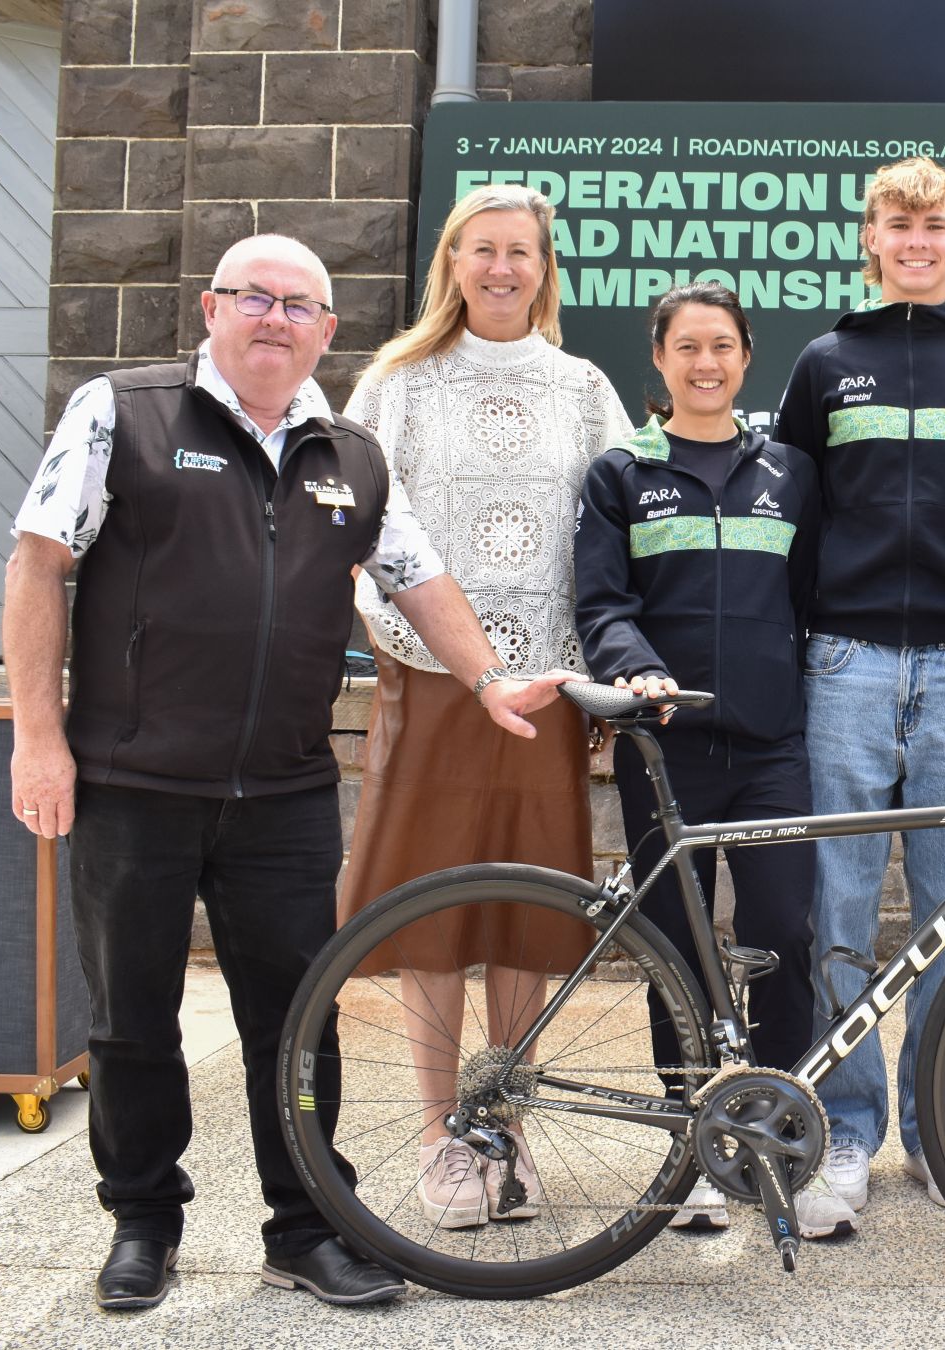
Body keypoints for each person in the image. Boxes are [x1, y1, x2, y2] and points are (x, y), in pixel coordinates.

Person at [4, 233, 574, 1311]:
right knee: (133, 1016)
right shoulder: (122, 412)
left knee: (295, 1019)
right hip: (134, 783)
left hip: (283, 791)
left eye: (297, 305)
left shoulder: (348, 453)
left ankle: (307, 1227)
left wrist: (490, 681)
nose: (274, 319)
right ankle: (142, 1221)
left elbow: (418, 576)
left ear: (327, 329)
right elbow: (38, 565)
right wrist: (39, 737)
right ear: (212, 309)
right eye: (253, 298)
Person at [337, 183, 632, 1233]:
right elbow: (349, 519)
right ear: (451, 264)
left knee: (526, 914)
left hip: (545, 689)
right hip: (435, 686)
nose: (501, 267)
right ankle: (437, 1134)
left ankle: (503, 1124)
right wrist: (388, 625)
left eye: (520, 251)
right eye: (481, 250)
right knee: (435, 912)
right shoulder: (397, 384)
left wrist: (599, 668)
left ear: (545, 268)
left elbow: (616, 534)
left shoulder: (585, 388)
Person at [774, 156, 945, 1223]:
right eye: (898, 221)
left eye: (934, 222)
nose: (917, 238)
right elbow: (789, 508)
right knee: (838, 902)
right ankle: (846, 1131)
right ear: (871, 236)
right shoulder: (822, 361)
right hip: (840, 666)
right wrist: (819, 628)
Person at [575, 281, 851, 1239]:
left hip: (774, 749)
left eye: (723, 346)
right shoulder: (619, 472)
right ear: (659, 359)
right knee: (676, 950)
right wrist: (639, 672)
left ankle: (780, 1146)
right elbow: (603, 606)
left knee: (783, 932)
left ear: (745, 356)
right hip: (665, 754)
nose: (705, 363)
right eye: (687, 347)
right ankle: (694, 1150)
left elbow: (812, 599)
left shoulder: (792, 472)